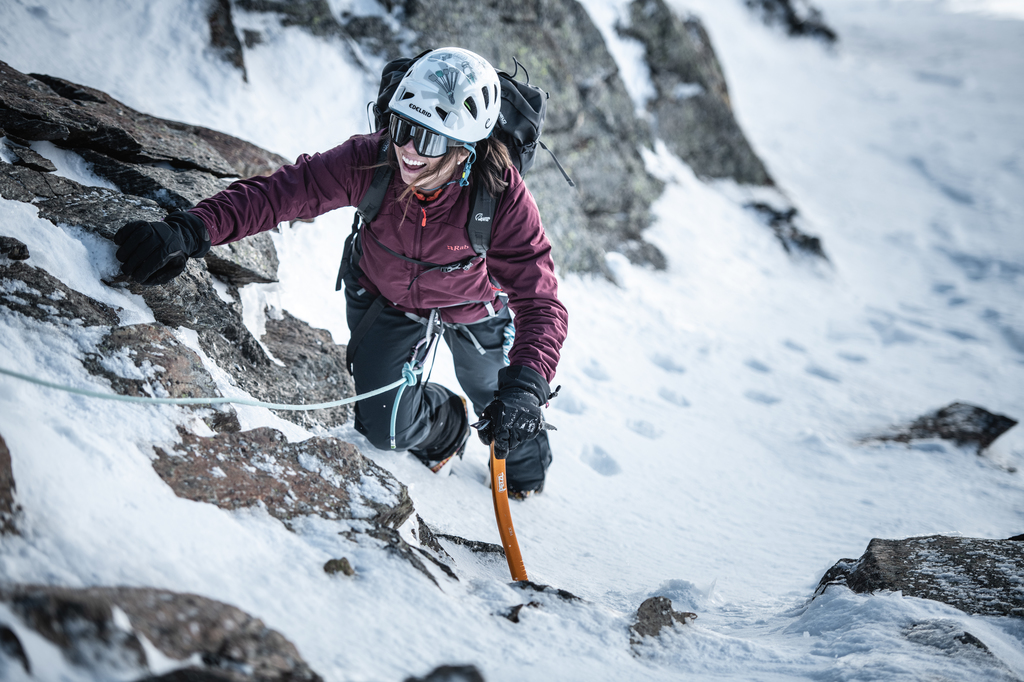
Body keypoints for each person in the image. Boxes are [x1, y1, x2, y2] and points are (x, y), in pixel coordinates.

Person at [112, 47, 568, 498]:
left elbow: (540, 299)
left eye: (428, 140)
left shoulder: (501, 196)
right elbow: (280, 194)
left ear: (465, 150)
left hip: (474, 307)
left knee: (500, 396)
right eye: (402, 126)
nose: (408, 149)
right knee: (385, 429)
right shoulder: (372, 159)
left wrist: (528, 385)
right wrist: (190, 230)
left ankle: (527, 473)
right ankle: (446, 425)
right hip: (388, 297)